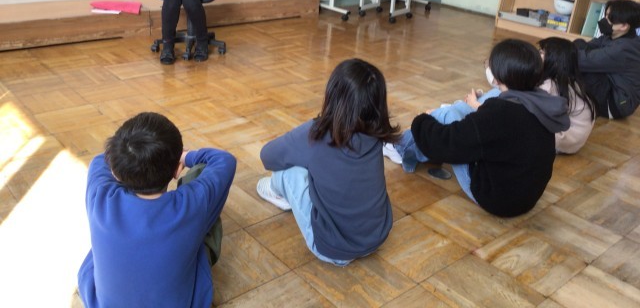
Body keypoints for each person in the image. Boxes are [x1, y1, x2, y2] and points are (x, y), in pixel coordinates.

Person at [394, 39, 569, 217]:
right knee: (473, 107)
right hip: (527, 197)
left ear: (498, 76)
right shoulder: (541, 102)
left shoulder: (500, 114)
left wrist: (423, 120)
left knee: (447, 115)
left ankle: (399, 147)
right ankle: (414, 143)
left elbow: (449, 144)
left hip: (498, 200)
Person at [77, 112, 236, 308]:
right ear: (177, 170)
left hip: (101, 304)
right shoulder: (192, 205)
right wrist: (185, 156)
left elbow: (99, 160)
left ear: (115, 172)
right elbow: (224, 160)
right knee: (201, 185)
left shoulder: (100, 196)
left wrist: (127, 156)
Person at [257, 58, 401, 265]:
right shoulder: (377, 135)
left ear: (333, 95)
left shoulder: (316, 133)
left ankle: (274, 191)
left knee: (286, 172)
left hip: (334, 250)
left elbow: (267, 156)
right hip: (377, 238)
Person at [574, 0, 640, 119]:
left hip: (616, 103)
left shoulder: (623, 49)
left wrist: (555, 53)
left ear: (624, 26)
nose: (605, 20)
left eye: (610, 18)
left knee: (576, 63)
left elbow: (584, 60)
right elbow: (586, 47)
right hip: (610, 84)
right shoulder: (612, 36)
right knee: (578, 44)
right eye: (606, 15)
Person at [538, 37, 596, 154]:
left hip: (563, 140)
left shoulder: (551, 85)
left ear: (555, 61)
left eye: (542, 53)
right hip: (574, 141)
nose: (537, 56)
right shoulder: (569, 82)